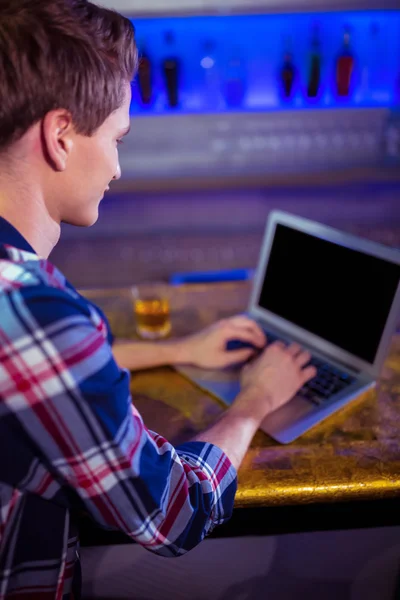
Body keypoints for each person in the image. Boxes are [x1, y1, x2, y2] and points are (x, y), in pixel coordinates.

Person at [0, 1, 316, 598]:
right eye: (118, 137)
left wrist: (182, 348)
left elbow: (28, 376)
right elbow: (175, 512)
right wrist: (255, 400)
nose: (118, 168)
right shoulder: (32, 310)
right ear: (60, 135)